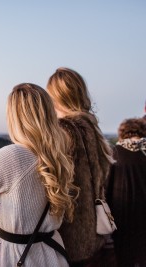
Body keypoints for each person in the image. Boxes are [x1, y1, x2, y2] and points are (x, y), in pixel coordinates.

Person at [0, 83, 78, 266]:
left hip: (20, 256)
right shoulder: (55, 153)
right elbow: (20, 178)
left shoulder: (12, 154)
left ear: (15, 118)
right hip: (52, 252)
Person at [46, 67, 115, 266]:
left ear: (55, 97)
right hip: (91, 229)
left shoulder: (64, 130)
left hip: (68, 232)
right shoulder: (92, 127)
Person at [106, 118, 146, 267]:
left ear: (122, 133)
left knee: (124, 259)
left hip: (121, 216)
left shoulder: (114, 153)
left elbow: (106, 188)